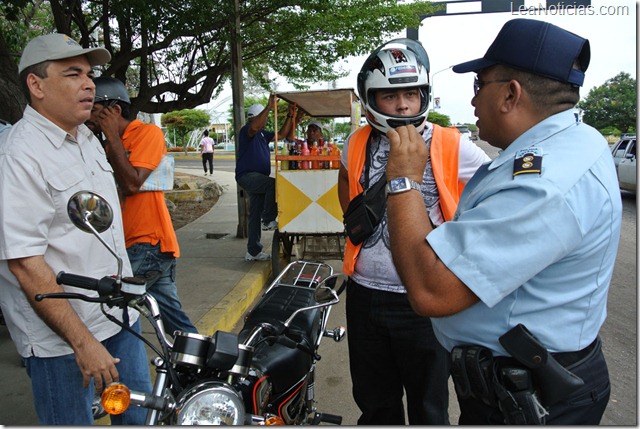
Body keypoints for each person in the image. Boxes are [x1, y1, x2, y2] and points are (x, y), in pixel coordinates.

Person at [385, 19, 622, 425]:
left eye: (479, 85)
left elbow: (430, 291)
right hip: (516, 386)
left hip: (532, 402)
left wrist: (403, 179)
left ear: (511, 94)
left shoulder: (545, 183)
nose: (473, 100)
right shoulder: (569, 142)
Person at [0, 33, 151, 425]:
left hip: (117, 316)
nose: (89, 85)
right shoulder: (18, 155)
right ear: (36, 86)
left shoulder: (86, 138)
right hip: (62, 339)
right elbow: (24, 263)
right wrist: (83, 343)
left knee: (138, 419)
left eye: (88, 74)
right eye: (73, 74)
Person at [337, 38, 490, 425]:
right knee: (375, 404)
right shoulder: (355, 142)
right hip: (364, 294)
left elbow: (497, 191)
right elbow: (346, 189)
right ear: (370, 99)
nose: (403, 105)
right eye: (390, 96)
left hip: (421, 301)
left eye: (411, 94)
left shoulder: (454, 144)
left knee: (429, 407)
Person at [87, 76, 198, 337]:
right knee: (175, 323)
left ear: (114, 110)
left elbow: (132, 184)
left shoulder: (147, 133)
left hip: (147, 243)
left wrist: (111, 137)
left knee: (108, 310)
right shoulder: (106, 145)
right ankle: (207, 358)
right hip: (133, 244)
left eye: (93, 109)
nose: (86, 116)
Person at [236, 94, 297, 261]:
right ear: (255, 118)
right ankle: (268, 219)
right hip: (247, 176)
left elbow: (282, 134)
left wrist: (290, 116)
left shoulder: (263, 134)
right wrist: (269, 107)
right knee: (273, 184)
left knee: (254, 215)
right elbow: (254, 127)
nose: (265, 121)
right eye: (263, 118)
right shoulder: (247, 131)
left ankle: (253, 251)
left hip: (257, 177)